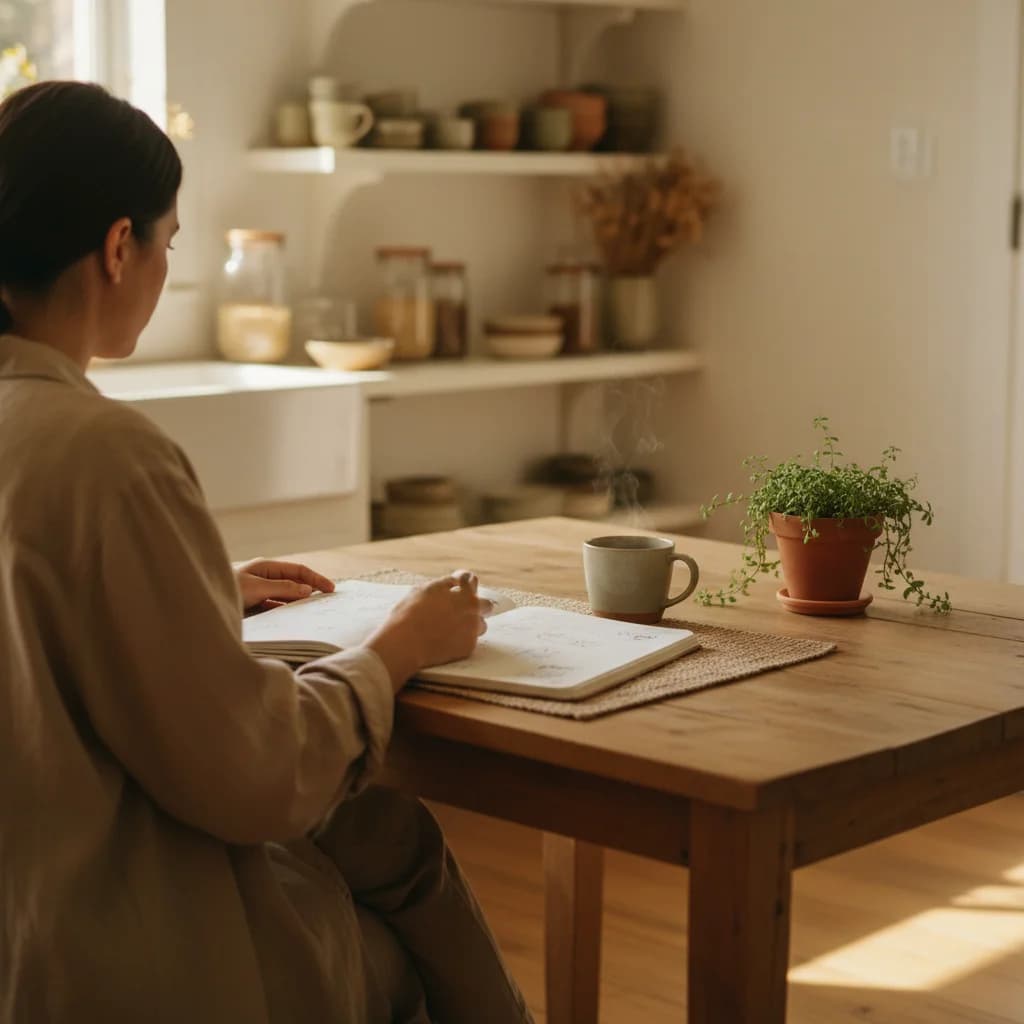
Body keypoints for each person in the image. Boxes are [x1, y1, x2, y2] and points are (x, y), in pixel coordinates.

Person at [0, 81, 532, 1023]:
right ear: (119, 248)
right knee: (397, 899)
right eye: (169, 240)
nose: (167, 264)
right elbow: (255, 777)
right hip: (108, 950)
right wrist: (401, 644)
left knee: (388, 834)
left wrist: (200, 594)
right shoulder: (107, 453)